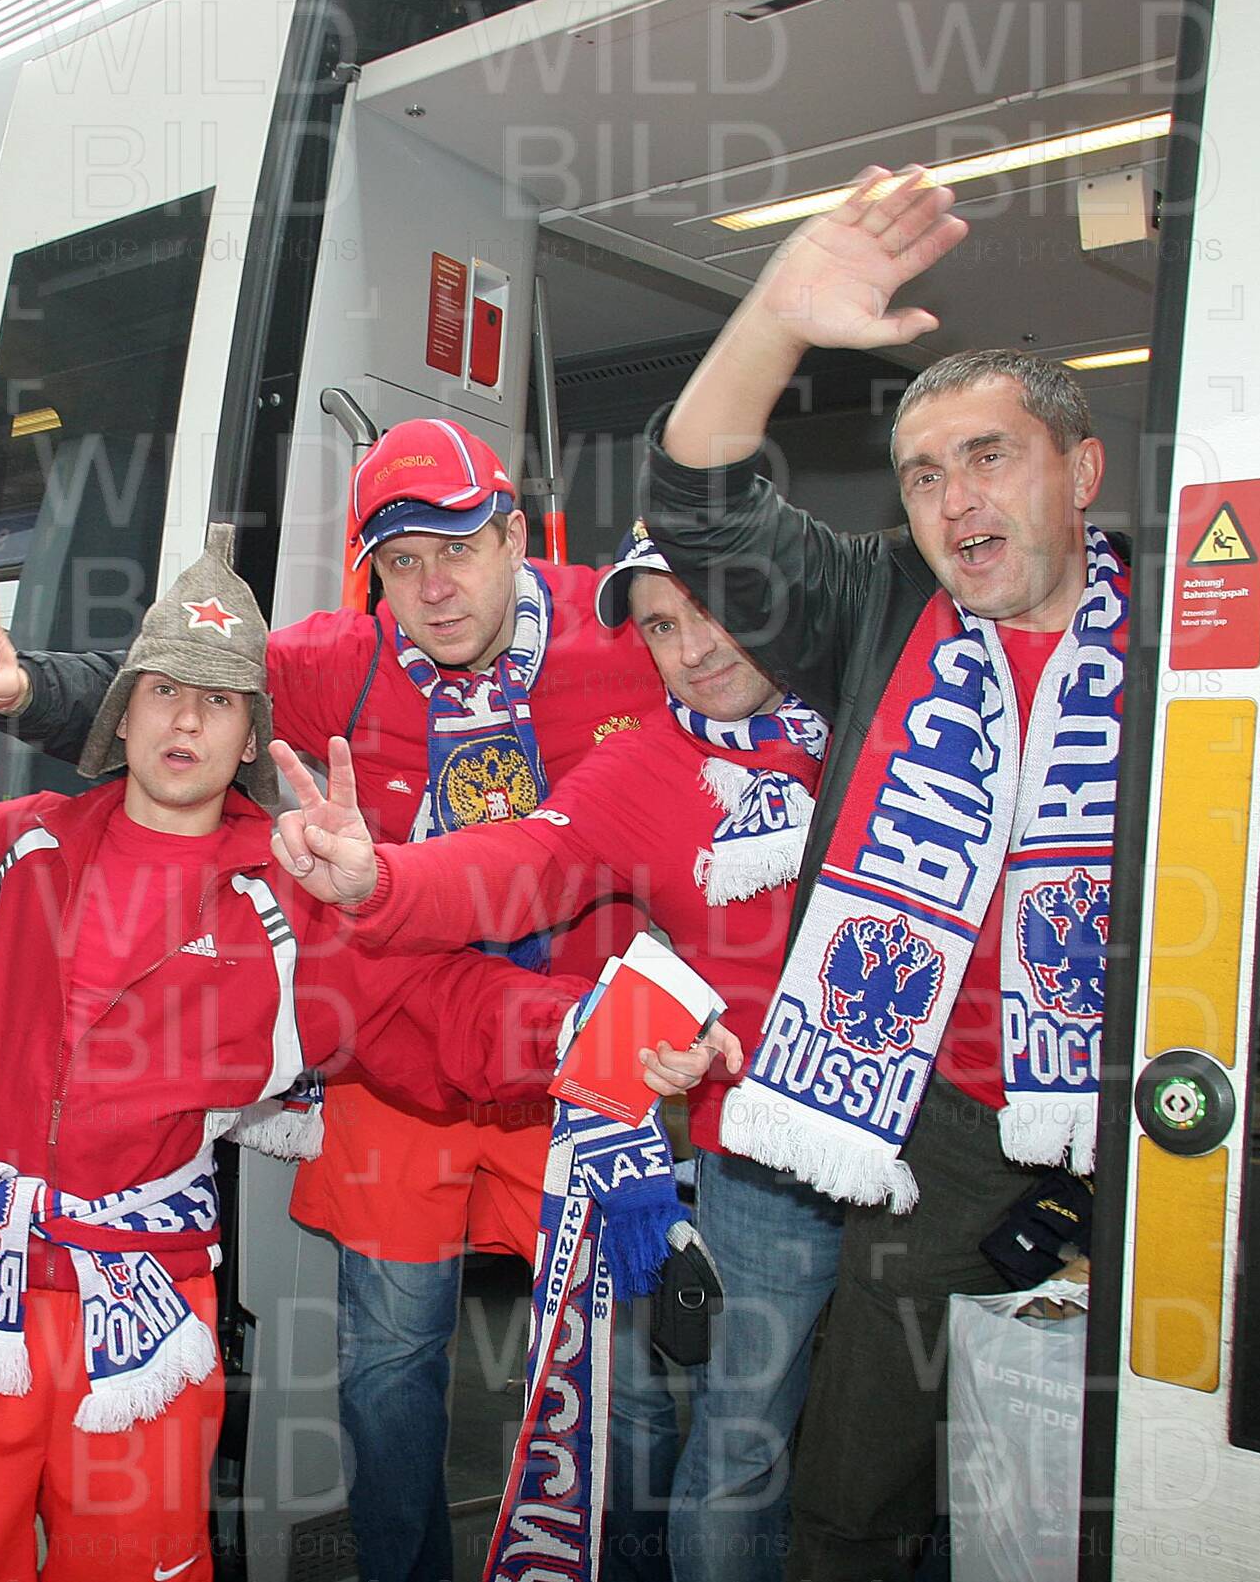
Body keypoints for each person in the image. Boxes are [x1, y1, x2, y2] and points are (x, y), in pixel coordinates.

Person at [0, 528, 702, 1582]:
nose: (186, 719)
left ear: (253, 730)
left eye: (218, 699)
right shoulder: (3, 847)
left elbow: (447, 1006)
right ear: (124, 714)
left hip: (147, 1321)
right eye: (163, 690)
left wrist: (609, 1027)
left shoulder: (289, 907)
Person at [641, 165, 1120, 1579]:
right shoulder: (876, 608)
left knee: (1102, 1490)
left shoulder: (1185, 642)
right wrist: (776, 317)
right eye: (922, 473)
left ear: (1080, 471)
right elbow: (698, 503)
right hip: (941, 1129)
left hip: (1142, 1112)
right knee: (856, 1487)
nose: (954, 499)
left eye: (989, 456)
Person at [267, 525, 844, 1582]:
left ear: (512, 535)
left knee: (642, 1388)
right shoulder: (349, 665)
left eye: (458, 548)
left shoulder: (852, 701)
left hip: (595, 1076)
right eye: (402, 562)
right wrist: (377, 879)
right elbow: (194, 678)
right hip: (422, 1066)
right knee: (393, 1365)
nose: (436, 586)